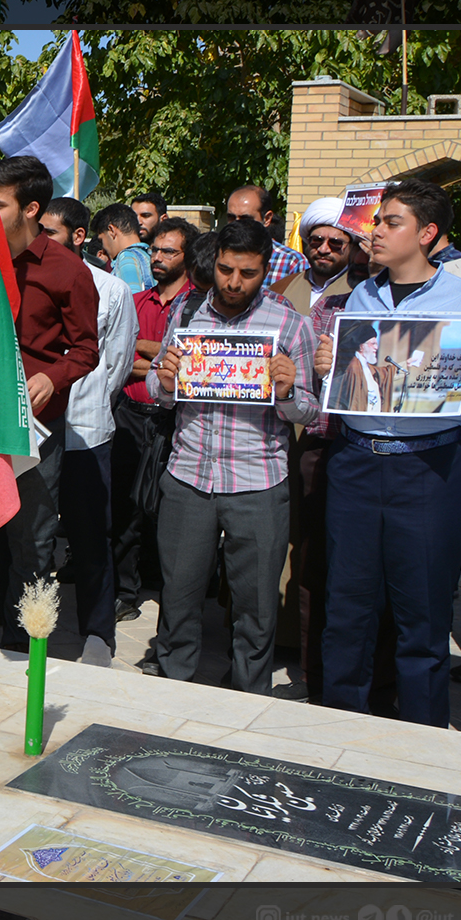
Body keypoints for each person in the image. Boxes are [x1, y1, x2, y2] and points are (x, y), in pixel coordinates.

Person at [314, 180, 461, 727]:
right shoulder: (359, 298)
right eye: (377, 221)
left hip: (429, 468)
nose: (375, 231)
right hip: (355, 462)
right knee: (347, 608)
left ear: (427, 233)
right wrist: (328, 368)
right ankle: (338, 728)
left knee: (423, 614)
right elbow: (347, 383)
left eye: (390, 222)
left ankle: (422, 737)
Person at [146, 219, 318, 693]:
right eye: (225, 270)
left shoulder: (290, 324)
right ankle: (171, 690)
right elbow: (157, 386)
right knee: (178, 599)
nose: (234, 283)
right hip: (188, 477)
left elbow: (310, 409)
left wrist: (287, 391)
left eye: (248, 273)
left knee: (256, 609)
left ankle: (247, 700)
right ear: (214, 262)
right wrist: (164, 382)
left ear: (266, 270)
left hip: (258, 482)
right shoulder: (187, 315)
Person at [0, 156, 100, 648]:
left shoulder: (68, 271)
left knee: (31, 540)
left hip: (34, 428)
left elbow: (87, 350)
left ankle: (23, 645)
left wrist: (53, 377)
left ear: (31, 209)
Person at [270, 197, 371, 702]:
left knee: (329, 554)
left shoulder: (364, 292)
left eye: (336, 241)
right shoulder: (286, 289)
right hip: (285, 434)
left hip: (336, 435)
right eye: (317, 241)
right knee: (293, 543)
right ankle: (291, 643)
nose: (325, 249)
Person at [42, 197, 136, 659]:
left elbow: (116, 364)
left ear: (79, 237)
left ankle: (98, 633)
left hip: (86, 430)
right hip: (38, 431)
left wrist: (90, 400)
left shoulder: (112, 290)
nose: (41, 240)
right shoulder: (29, 279)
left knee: (89, 535)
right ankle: (27, 628)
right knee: (35, 536)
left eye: (51, 232)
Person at [113, 217, 196, 625]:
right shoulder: (134, 301)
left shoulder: (197, 306)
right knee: (123, 507)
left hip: (174, 418)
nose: (158, 258)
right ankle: (123, 593)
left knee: (169, 512)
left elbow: (190, 368)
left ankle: (171, 594)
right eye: (155, 250)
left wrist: (148, 353)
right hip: (130, 413)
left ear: (188, 256)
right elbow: (120, 357)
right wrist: (161, 358)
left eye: (168, 251)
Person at [226, 184, 310, 287]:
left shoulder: (292, 262)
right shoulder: (217, 253)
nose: (237, 224)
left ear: (267, 219)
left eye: (245, 219)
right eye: (231, 218)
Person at [90, 202, 152, 290]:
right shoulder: (149, 255)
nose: (103, 248)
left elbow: (133, 296)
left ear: (111, 230)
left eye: (101, 240)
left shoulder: (127, 258)